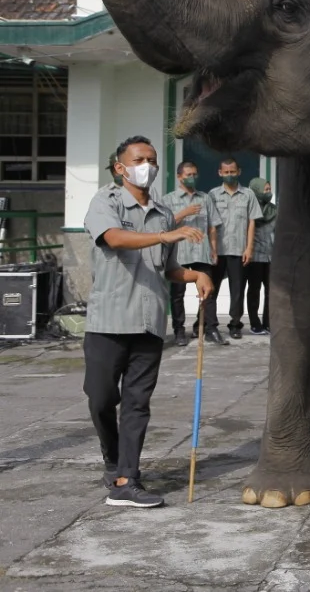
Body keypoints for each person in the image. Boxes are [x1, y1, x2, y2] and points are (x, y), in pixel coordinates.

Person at [84, 136, 214, 508]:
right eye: (140, 159)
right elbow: (113, 238)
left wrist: (194, 276)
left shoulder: (162, 211)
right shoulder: (105, 202)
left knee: (137, 403)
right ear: (120, 167)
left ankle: (128, 478)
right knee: (101, 397)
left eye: (153, 159)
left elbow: (166, 267)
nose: (148, 165)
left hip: (149, 322)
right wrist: (163, 233)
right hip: (109, 320)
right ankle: (113, 459)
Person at [160, 161, 221, 347]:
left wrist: (213, 249)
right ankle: (179, 330)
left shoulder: (205, 198)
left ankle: (210, 328)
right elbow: (164, 226)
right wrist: (183, 213)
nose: (192, 178)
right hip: (179, 252)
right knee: (177, 295)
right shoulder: (167, 199)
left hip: (201, 251)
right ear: (179, 177)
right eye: (188, 175)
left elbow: (212, 226)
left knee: (208, 291)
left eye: (195, 174)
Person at [209, 158, 261, 340]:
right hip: (218, 251)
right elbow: (210, 224)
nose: (229, 175)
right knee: (211, 289)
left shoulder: (248, 195)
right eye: (226, 172)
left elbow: (252, 222)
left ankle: (235, 324)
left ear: (239, 172)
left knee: (237, 290)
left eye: (232, 172)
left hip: (239, 251)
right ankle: (210, 324)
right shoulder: (213, 195)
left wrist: (249, 248)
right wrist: (212, 249)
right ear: (220, 173)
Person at [246, 178, 276, 333]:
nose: (268, 192)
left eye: (269, 188)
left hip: (271, 257)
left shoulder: (274, 210)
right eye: (265, 189)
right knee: (254, 290)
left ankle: (269, 322)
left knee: (271, 291)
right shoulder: (249, 210)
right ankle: (254, 323)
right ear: (256, 190)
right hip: (255, 256)